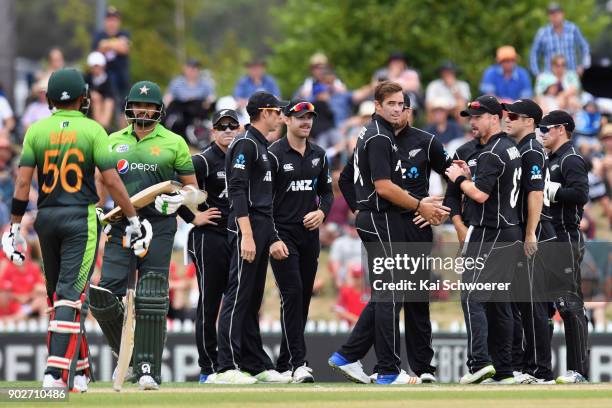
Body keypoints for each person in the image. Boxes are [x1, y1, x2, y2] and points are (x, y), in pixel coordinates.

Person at [1, 68, 146, 392]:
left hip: (47, 218)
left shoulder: (36, 130)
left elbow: (23, 182)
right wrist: (133, 217)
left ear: (50, 99)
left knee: (59, 297)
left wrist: (13, 226)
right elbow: (110, 179)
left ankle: (80, 373)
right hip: (80, 218)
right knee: (69, 296)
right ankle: (55, 374)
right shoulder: (93, 130)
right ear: (83, 98)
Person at [328, 81, 448, 385]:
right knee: (391, 293)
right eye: (391, 103)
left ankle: (348, 355)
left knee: (395, 292)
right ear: (377, 105)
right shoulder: (380, 136)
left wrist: (363, 211)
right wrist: (419, 205)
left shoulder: (376, 134)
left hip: (383, 219)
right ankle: (388, 370)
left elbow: (349, 180)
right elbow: (382, 186)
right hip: (382, 219)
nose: (397, 109)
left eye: (401, 103)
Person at [89, 80, 201, 391]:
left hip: (160, 224)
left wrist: (179, 198)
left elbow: (193, 191)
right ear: (129, 107)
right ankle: (129, 355)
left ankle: (148, 368)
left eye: (149, 105)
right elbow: (101, 181)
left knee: (152, 296)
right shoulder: (112, 140)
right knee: (104, 295)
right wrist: (97, 208)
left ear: (158, 109)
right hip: (121, 223)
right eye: (138, 105)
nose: (143, 110)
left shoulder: (174, 142)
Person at [214, 91, 291, 385]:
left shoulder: (261, 145)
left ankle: (254, 362)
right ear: (264, 112)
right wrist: (246, 234)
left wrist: (270, 236)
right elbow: (237, 190)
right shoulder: (246, 143)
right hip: (245, 227)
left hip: (260, 227)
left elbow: (264, 199)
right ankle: (226, 365)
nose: (280, 116)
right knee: (238, 295)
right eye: (277, 111)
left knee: (252, 297)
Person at [446, 95, 523, 384]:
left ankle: (479, 362)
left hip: (491, 231)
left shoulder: (492, 152)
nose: (473, 122)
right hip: (510, 230)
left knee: (471, 296)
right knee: (499, 301)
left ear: (495, 117)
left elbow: (480, 195)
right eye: (471, 117)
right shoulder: (510, 148)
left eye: (478, 117)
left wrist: (458, 178)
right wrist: (470, 175)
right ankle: (504, 370)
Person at [268, 100, 333, 383]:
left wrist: (322, 212)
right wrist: (271, 238)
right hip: (283, 235)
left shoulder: (319, 153)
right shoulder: (273, 154)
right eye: (300, 117)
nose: (306, 122)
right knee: (292, 294)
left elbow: (328, 193)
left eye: (309, 118)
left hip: (309, 237)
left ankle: (284, 362)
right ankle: (298, 363)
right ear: (285, 119)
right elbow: (262, 202)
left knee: (302, 299)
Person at [502, 99, 555, 384]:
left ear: (530, 122)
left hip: (534, 231)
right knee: (522, 302)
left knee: (533, 303)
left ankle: (540, 370)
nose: (507, 118)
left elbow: (535, 194)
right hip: (524, 230)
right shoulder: (518, 148)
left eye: (513, 115)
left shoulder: (532, 149)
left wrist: (530, 233)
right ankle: (525, 364)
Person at [187, 108, 240, 384]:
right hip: (210, 237)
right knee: (210, 302)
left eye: (232, 125)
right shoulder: (203, 161)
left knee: (239, 300)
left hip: (238, 236)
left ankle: (233, 362)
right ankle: (208, 367)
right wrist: (193, 217)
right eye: (222, 126)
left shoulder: (243, 158)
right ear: (213, 131)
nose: (228, 130)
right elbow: (174, 190)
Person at [539, 110, 590, 383]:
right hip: (548, 237)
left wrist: (554, 191)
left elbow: (581, 194)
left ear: (561, 129)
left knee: (570, 305)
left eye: (546, 129)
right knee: (544, 305)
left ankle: (578, 370)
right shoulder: (550, 158)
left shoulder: (570, 158)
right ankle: (540, 370)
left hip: (565, 237)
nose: (542, 133)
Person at [530, 2, 591, 77]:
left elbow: (584, 46)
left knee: (573, 89)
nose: (555, 17)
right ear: (548, 17)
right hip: (550, 76)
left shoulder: (572, 28)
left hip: (570, 74)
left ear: (562, 14)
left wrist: (583, 65)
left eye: (557, 14)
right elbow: (534, 53)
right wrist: (537, 73)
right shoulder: (542, 33)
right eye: (552, 15)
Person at [164, 59, 215, 140]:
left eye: (195, 68)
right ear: (185, 69)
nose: (192, 70)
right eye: (190, 68)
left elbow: (211, 98)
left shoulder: (206, 84)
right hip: (181, 110)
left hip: (198, 111)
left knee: (199, 105)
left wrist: (207, 103)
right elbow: (168, 97)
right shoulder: (177, 82)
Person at [92, 6, 131, 102]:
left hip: (121, 75)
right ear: (105, 21)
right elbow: (97, 51)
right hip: (104, 75)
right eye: (109, 20)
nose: (112, 23)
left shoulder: (124, 33)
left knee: (125, 93)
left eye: (114, 20)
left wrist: (106, 44)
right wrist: (118, 43)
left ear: (119, 22)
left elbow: (124, 49)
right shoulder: (99, 35)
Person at [84, 51, 115, 130]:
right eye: (94, 67)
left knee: (109, 102)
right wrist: (92, 94)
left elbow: (110, 96)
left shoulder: (108, 79)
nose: (96, 69)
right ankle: (99, 127)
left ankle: (104, 126)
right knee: (96, 99)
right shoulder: (87, 78)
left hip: (104, 105)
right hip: (90, 107)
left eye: (98, 66)